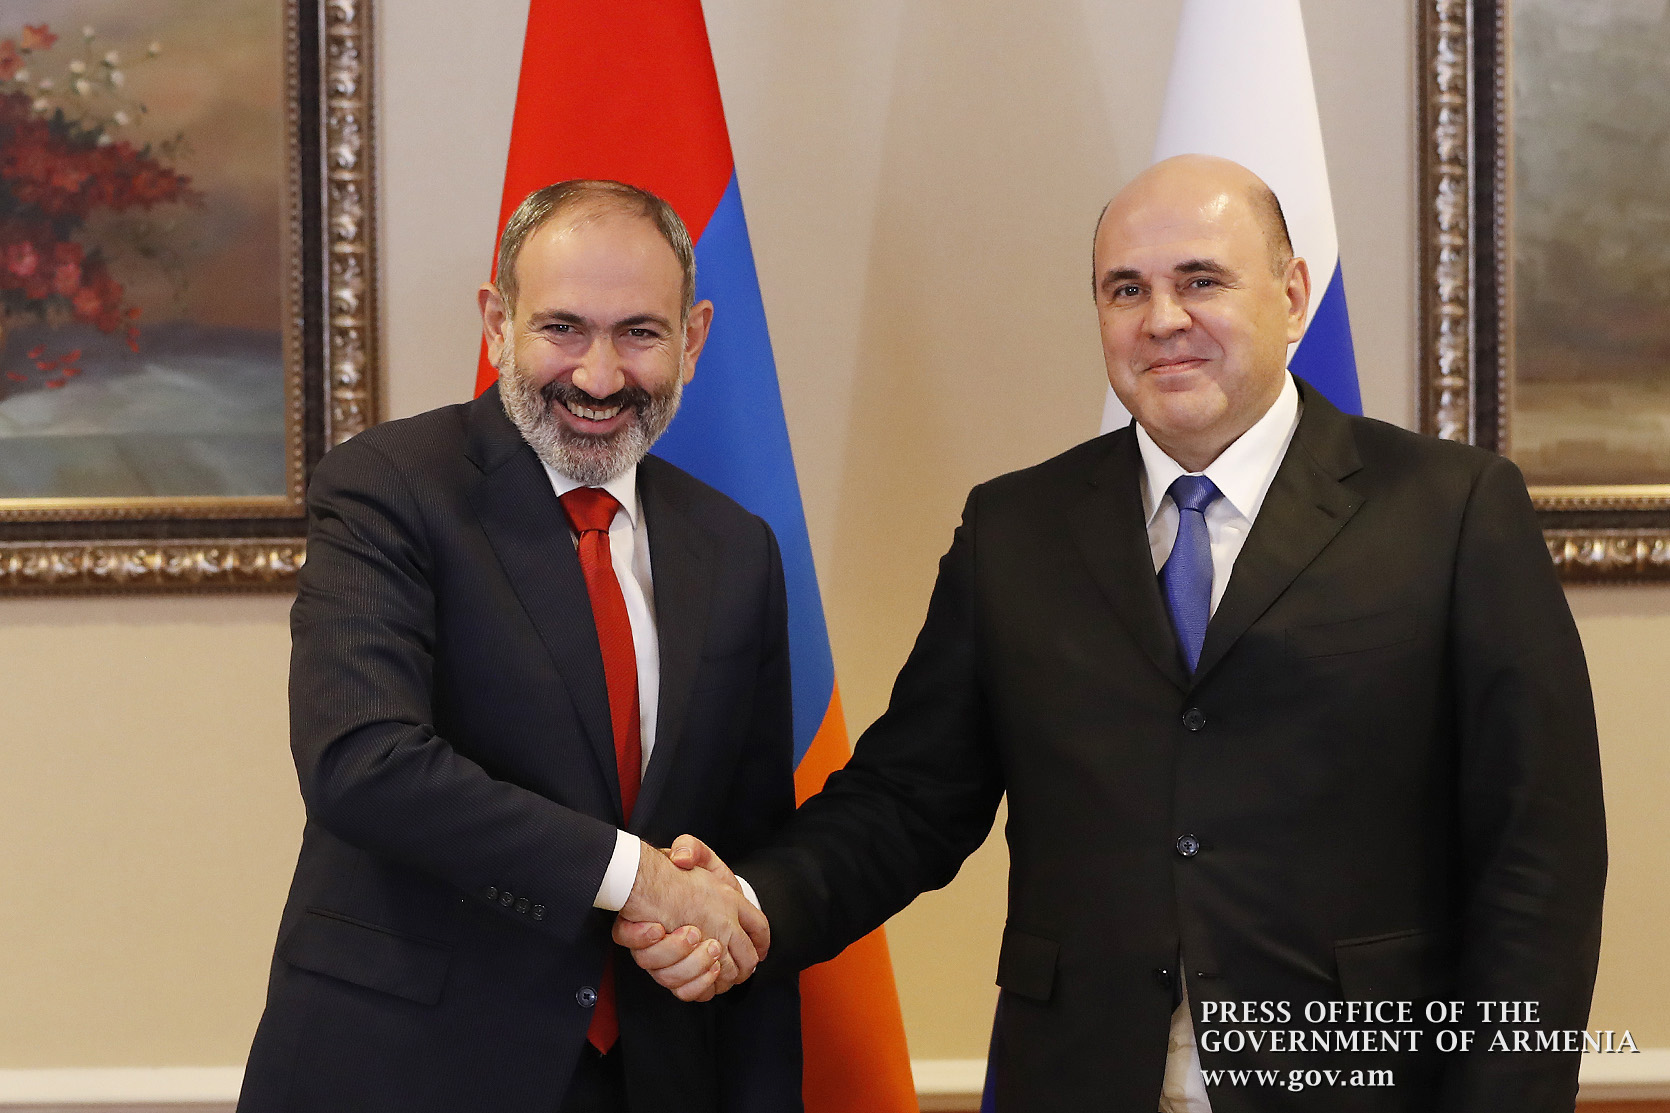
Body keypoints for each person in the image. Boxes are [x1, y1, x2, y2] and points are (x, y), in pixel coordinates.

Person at [621, 155, 1607, 1113]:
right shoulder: (1015, 530)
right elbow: (907, 801)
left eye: (1201, 280)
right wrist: (749, 904)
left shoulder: (1449, 511)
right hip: (1079, 1075)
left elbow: (1538, 860)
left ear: (1293, 295)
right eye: (1125, 289)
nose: (1162, 318)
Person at [238, 180, 800, 1113]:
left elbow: (747, 839)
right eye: (563, 328)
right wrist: (637, 877)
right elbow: (362, 761)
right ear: (498, 324)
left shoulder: (737, 547)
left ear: (693, 339)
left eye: (640, 333)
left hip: (654, 1075)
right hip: (407, 1071)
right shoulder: (387, 486)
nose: (599, 376)